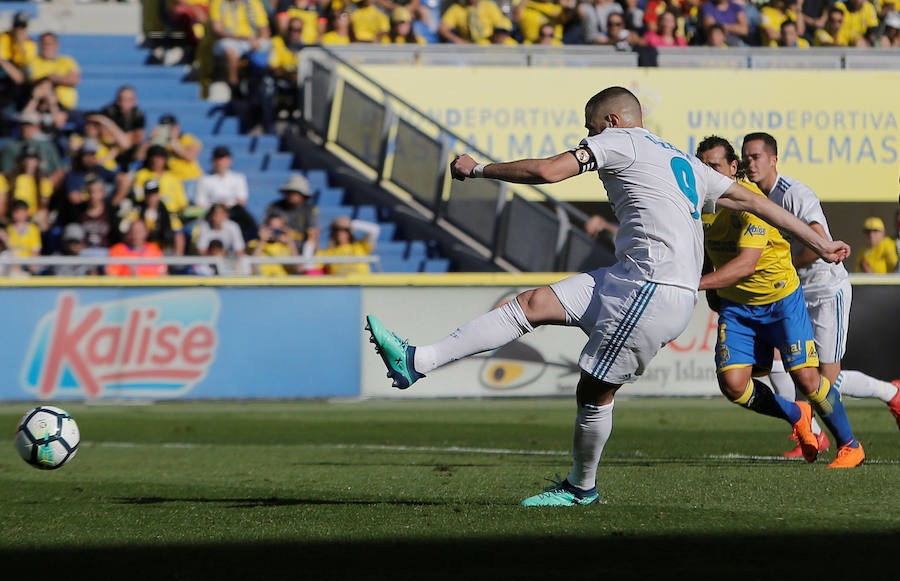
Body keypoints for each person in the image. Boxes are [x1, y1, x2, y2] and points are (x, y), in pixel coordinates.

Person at [366, 87, 851, 507]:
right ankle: (418, 361)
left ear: (613, 122)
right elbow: (757, 201)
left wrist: (480, 169)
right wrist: (821, 242)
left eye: (590, 127)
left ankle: (581, 488)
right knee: (532, 303)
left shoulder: (619, 141)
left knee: (593, 390)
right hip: (629, 277)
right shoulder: (679, 156)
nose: (587, 136)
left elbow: (551, 172)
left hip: (651, 290)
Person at [696, 135, 862, 468]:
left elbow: (746, 264)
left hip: (781, 301)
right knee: (733, 386)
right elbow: (707, 252)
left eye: (713, 167)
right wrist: (711, 288)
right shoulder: (701, 205)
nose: (706, 175)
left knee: (810, 379)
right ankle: (796, 413)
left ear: (733, 168)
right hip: (738, 308)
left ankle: (850, 446)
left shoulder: (750, 202)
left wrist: (693, 285)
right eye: (701, 168)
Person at [741, 132, 900, 433]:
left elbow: (820, 242)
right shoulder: (754, 196)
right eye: (746, 157)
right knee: (792, 366)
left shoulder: (793, 194)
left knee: (826, 381)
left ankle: (891, 394)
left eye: (756, 156)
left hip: (826, 292)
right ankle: (809, 433)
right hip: (794, 294)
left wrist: (784, 264)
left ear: (773, 159)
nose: (750, 163)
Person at [209, 0, 272, 98]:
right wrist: (240, 38)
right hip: (229, 39)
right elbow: (217, 30)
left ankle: (259, 86)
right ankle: (234, 87)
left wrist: (257, 41)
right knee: (229, 49)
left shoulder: (254, 3)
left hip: (251, 40)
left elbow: (265, 30)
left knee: (267, 46)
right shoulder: (218, 2)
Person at [194, 145, 256, 239]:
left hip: (233, 212)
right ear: (213, 161)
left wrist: (225, 208)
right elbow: (200, 203)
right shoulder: (204, 179)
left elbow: (241, 201)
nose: (221, 162)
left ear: (229, 161)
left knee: (247, 219)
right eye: (218, 159)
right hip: (211, 213)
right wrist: (218, 209)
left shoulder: (238, 178)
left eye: (223, 159)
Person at [27, 32, 81, 112]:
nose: (46, 46)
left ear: (56, 45)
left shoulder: (67, 61)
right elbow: (31, 81)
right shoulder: (32, 62)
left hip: (66, 108)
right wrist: (55, 79)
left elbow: (75, 80)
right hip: (40, 106)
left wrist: (51, 78)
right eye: (44, 43)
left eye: (49, 44)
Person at [266, 174, 320, 254]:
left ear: (303, 195)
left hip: (302, 249)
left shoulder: (310, 210)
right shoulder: (275, 207)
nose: (292, 195)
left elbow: (313, 234)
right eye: (289, 192)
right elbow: (266, 229)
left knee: (310, 245)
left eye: (295, 192)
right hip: (279, 247)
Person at [133, 145, 190, 218]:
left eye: (159, 157)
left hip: (173, 217)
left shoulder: (173, 177)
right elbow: (138, 197)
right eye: (152, 157)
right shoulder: (141, 175)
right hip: (150, 215)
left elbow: (182, 203)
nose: (155, 160)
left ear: (164, 159)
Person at [100, 85, 147, 169]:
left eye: (128, 99)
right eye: (120, 99)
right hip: (109, 148)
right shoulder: (108, 111)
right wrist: (124, 139)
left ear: (135, 101)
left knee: (146, 146)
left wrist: (118, 135)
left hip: (130, 150)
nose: (123, 103)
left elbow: (138, 137)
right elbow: (106, 137)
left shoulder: (138, 114)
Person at [439, 0, 513, 44]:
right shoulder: (457, 9)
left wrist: (499, 36)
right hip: (473, 45)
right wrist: (460, 41)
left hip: (492, 42)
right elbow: (443, 28)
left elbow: (502, 25)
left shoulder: (489, 6)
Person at [5, 199, 41, 276]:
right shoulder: (9, 229)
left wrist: (32, 264)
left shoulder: (33, 229)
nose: (20, 215)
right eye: (17, 212)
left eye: (22, 212)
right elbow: (9, 248)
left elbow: (36, 249)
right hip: (13, 263)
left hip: (28, 264)